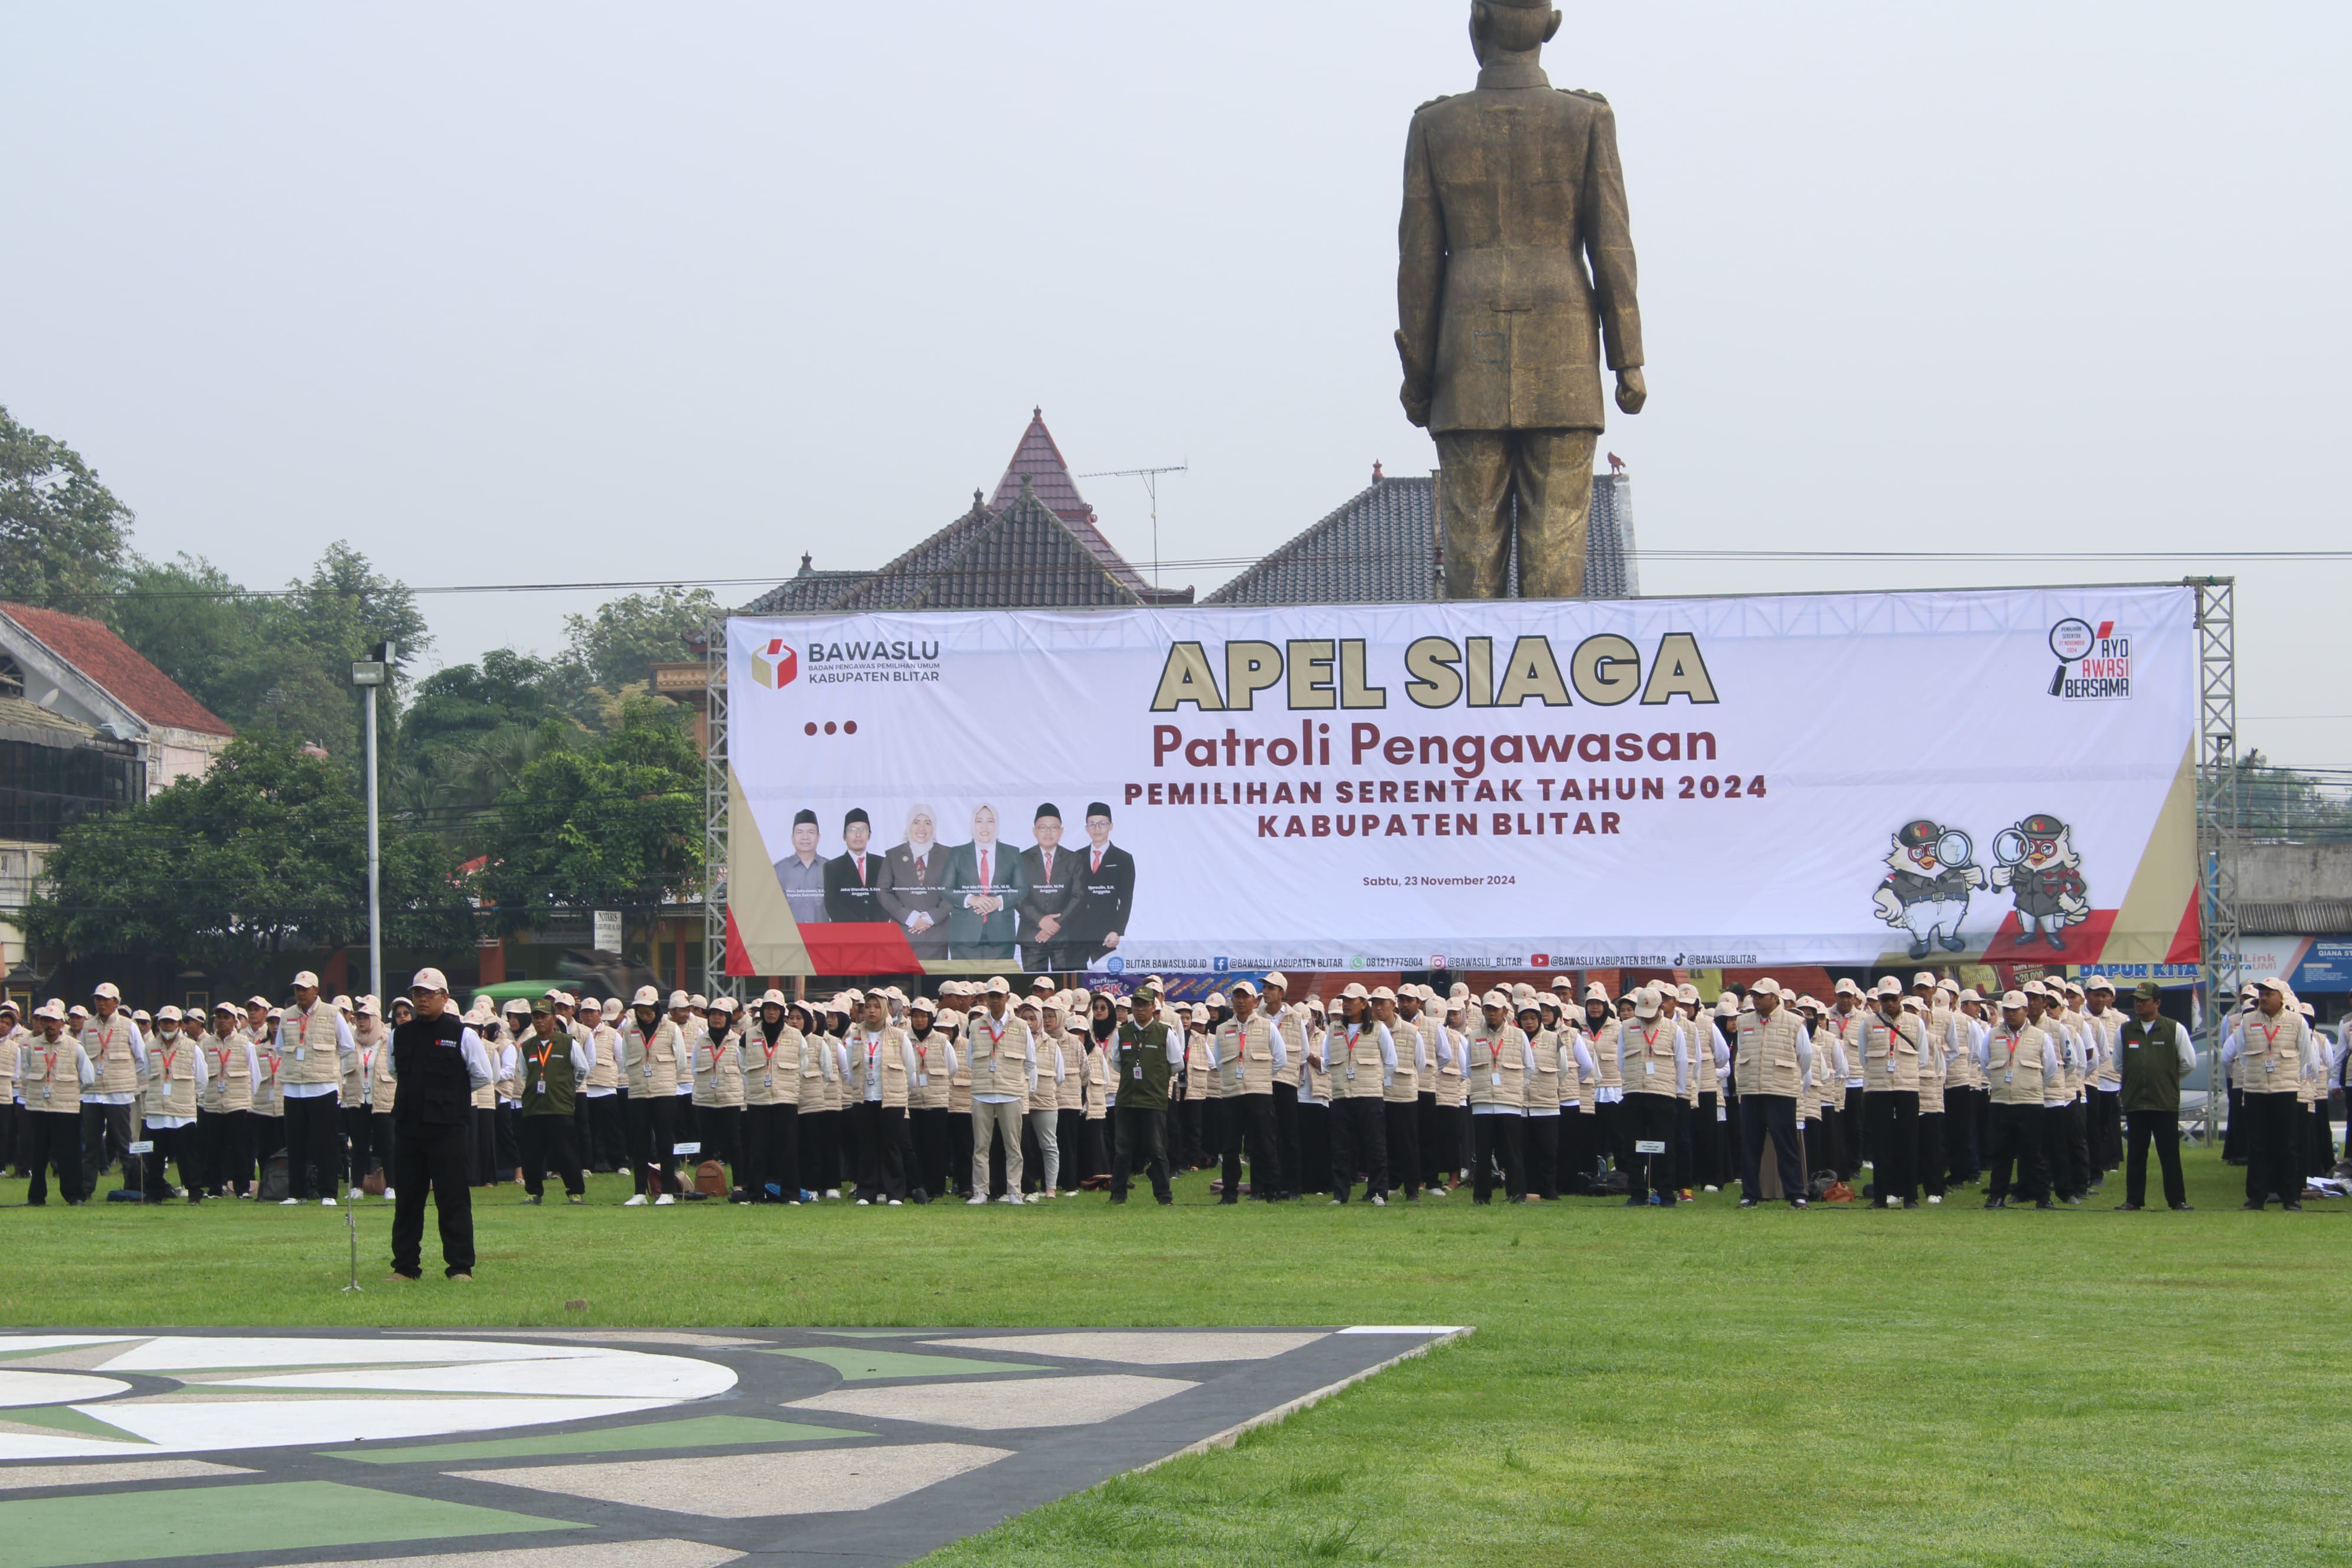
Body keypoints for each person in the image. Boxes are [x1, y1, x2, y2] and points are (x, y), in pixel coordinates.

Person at [387, 968, 493, 1281]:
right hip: (409, 1128)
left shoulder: (463, 1034)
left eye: (429, 994)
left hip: (448, 1129)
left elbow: (482, 1075)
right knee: (408, 1200)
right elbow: (395, 1072)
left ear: (445, 998)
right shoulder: (400, 1034)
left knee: (453, 1198)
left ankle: (460, 1267)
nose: (422, 999)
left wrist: (451, 1096)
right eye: (418, 993)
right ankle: (405, 1268)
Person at [2220, 976, 2321, 1211]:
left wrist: (2287, 1076)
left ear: (2281, 998)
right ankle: (2256, 1197)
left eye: (2268, 994)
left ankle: (2291, 1197)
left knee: (2288, 1145)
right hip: (2256, 1090)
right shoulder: (2247, 1021)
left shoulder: (2297, 1022)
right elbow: (2243, 1055)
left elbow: (2305, 1057)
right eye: (2261, 994)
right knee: (2257, 1146)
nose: (2263, 998)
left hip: (2285, 1090)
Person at [2111, 981, 2197, 1211]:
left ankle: (2177, 1200)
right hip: (2136, 1101)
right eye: (2136, 1000)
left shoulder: (2174, 1028)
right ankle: (2133, 1200)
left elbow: (2189, 1063)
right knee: (2136, 1154)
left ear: (2157, 1003)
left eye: (2144, 1000)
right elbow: (2119, 1064)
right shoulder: (2126, 1030)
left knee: (2169, 1154)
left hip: (2164, 1102)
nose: (2138, 1004)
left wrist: (2166, 1079)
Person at [273, 971, 355, 1206]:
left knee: (325, 1143)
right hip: (294, 1088)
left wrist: (326, 1065)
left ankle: (328, 1193)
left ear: (316, 991)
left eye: (305, 989)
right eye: (297, 988)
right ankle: (296, 1193)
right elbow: (280, 1047)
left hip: (323, 1087)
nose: (300, 993)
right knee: (295, 1143)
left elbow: (347, 1046)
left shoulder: (332, 1013)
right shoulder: (287, 1015)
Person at [1732, 978, 1809, 1208]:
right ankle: (1749, 1194)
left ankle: (1796, 1193)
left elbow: (1804, 1058)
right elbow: (1739, 1052)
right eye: (1754, 995)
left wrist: (1790, 1080)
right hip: (1751, 1091)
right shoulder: (1743, 1020)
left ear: (1775, 998)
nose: (1756, 999)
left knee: (1786, 1146)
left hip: (1781, 1091)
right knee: (1750, 1146)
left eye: (1761, 995)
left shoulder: (1795, 1022)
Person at [1980, 990, 2059, 1210]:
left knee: (2034, 1154)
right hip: (2001, 1102)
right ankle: (1997, 1196)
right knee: (2001, 1153)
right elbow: (1986, 1064)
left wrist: (2031, 1087)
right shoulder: (1992, 1035)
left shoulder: (2041, 1037)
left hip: (2030, 1103)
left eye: (2015, 1010)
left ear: (2026, 1010)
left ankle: (2044, 1197)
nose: (2010, 1014)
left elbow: (2050, 1070)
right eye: (2007, 1010)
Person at [963, 977, 1035, 1203]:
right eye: (991, 996)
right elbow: (970, 1061)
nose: (995, 1001)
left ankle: (1015, 1191)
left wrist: (1019, 1083)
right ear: (986, 998)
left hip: (1011, 1092)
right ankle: (980, 1192)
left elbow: (1031, 1062)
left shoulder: (1021, 1026)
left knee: (1013, 1146)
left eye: (999, 996)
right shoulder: (976, 1025)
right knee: (980, 1146)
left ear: (1007, 997)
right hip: (983, 1091)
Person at [1323, 983, 1394, 1206]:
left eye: (1352, 1000)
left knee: (1375, 1147)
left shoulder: (1379, 1029)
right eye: (1344, 1000)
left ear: (1364, 1004)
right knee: (1341, 1148)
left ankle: (1378, 1192)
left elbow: (1391, 1062)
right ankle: (1340, 1195)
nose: (1346, 1004)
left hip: (1370, 1095)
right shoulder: (1334, 1029)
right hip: (1342, 1095)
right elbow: (1326, 1061)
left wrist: (1372, 1081)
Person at [517, 998, 593, 1205]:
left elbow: (582, 1069)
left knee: (566, 1152)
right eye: (536, 1017)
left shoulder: (568, 1042)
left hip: (560, 1107)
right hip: (534, 1107)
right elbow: (525, 1074)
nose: (540, 1020)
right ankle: (533, 1192)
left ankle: (575, 1191)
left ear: (553, 1019)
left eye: (544, 1016)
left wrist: (568, 1088)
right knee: (532, 1154)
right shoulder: (527, 1046)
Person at [1109, 985, 1178, 1204]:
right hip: (1127, 1099)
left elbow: (1177, 1064)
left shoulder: (1165, 1032)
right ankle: (1118, 1195)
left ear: (1153, 1007)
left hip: (1153, 1100)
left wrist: (1155, 1078)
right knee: (1122, 1151)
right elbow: (1117, 1063)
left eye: (1145, 1005)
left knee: (1157, 1150)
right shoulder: (1123, 1033)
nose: (1140, 1010)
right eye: (1136, 1005)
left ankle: (1164, 1196)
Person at [21, 1000, 93, 1204]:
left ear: (63, 1024)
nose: (49, 1025)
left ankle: (74, 1195)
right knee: (38, 1155)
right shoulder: (33, 1046)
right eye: (46, 1021)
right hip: (38, 1107)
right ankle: (36, 1197)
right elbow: (27, 1072)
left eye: (53, 1021)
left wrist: (69, 1093)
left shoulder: (74, 1047)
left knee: (69, 1155)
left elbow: (87, 1078)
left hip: (66, 1109)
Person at [1859, 978, 1923, 1208]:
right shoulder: (1867, 1023)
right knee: (1880, 1144)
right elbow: (1862, 1055)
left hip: (1907, 1088)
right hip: (1878, 1088)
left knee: (1909, 1143)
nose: (1888, 1004)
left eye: (1892, 999)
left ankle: (1910, 1197)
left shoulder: (1916, 1022)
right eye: (1883, 999)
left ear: (1902, 997)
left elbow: (1923, 1057)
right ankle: (1880, 1198)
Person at [621, 985, 687, 1206]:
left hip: (665, 1092)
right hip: (638, 1092)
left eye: (648, 1012)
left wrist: (663, 1079)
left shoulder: (671, 1029)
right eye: (640, 1012)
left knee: (665, 1142)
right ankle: (640, 1192)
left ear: (657, 1009)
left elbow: (681, 1062)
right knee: (639, 1144)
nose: (645, 1016)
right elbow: (624, 1060)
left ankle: (667, 1191)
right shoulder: (629, 1031)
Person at [79, 982, 143, 1195]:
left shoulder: (129, 1026)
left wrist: (126, 1082)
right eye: (98, 999)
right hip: (93, 1094)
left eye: (106, 999)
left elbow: (141, 1060)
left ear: (116, 1002)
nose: (101, 1003)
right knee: (90, 1145)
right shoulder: (88, 1027)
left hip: (119, 1094)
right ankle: (86, 1190)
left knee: (125, 1144)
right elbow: (82, 1060)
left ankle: (133, 1187)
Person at [1466, 990, 1530, 1204]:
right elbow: (1468, 1068)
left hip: (1509, 1102)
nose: (1491, 1013)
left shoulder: (1519, 1036)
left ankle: (1516, 1194)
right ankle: (1482, 1196)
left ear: (1505, 1011)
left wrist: (1515, 1088)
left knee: (1513, 1152)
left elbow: (1529, 1067)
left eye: (1495, 1009)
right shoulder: (1474, 1037)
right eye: (1487, 1009)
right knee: (1483, 1154)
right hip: (1482, 1102)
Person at [140, 1006, 207, 1203]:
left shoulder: (192, 1047)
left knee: (188, 1157)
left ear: (180, 1024)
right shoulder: (150, 1046)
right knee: (156, 1158)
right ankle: (154, 1193)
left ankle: (194, 1192)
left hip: (182, 1112)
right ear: (158, 1023)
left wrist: (188, 1099)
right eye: (164, 1022)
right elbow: (146, 1073)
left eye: (172, 1022)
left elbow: (202, 1079)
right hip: (156, 1110)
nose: (168, 1025)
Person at [1061, 803, 1136, 967]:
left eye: (1102, 823)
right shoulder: (1075, 857)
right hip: (1076, 932)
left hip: (1106, 933)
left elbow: (1126, 899)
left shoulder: (1123, 859)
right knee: (1072, 981)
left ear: (1111, 826)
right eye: (1092, 824)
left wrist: (1117, 931)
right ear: (1087, 828)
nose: (1097, 828)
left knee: (1105, 982)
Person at [946, 805, 1025, 959]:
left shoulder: (1012, 853)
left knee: (1000, 982)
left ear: (996, 825)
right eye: (979, 821)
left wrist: (999, 901)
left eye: (990, 821)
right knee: (964, 982)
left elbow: (1022, 889)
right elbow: (946, 889)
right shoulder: (957, 853)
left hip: (1001, 934)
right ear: (972, 824)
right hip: (964, 935)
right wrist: (971, 899)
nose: (984, 826)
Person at [876, 804, 952, 962]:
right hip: (903, 934)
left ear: (934, 826)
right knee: (903, 985)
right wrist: (910, 917)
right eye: (916, 822)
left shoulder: (948, 855)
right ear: (909, 824)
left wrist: (931, 917)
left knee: (935, 985)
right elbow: (883, 892)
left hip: (936, 937)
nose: (922, 828)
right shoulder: (893, 855)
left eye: (928, 822)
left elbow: (955, 891)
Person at [690, 997, 746, 1195]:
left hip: (730, 1099)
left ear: (728, 1018)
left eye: (721, 1015)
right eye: (713, 1014)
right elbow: (694, 1069)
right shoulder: (700, 1041)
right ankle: (705, 1185)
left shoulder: (738, 1041)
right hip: (704, 1099)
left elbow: (744, 1069)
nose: (716, 1018)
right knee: (706, 1144)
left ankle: (740, 1184)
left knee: (734, 1143)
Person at [903, 995, 956, 1201]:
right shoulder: (904, 1039)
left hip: (937, 1101)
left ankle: (936, 1188)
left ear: (930, 1018)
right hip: (913, 1101)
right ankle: (916, 1187)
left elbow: (952, 1068)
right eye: (916, 1016)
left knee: (936, 1147)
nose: (919, 1020)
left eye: (924, 1016)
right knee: (914, 1147)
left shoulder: (942, 1040)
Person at [1017, 803, 1081, 970]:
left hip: (1064, 937)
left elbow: (1078, 897)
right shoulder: (1020, 860)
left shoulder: (1074, 859)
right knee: (1034, 988)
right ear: (1034, 831)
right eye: (1043, 827)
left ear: (1061, 831)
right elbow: (1018, 896)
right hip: (1032, 936)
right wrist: (1041, 920)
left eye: (1054, 828)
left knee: (1067, 990)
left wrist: (1054, 925)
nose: (1048, 832)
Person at [344, 995, 387, 1198]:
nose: (360, 1021)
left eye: (366, 1017)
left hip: (382, 1098)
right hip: (358, 1099)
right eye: (358, 1017)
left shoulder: (387, 1041)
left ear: (376, 1019)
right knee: (359, 1144)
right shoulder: (352, 1042)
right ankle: (357, 1186)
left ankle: (391, 1186)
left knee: (387, 1144)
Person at [824, 808, 887, 923]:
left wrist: (876, 926)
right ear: (844, 836)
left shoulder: (883, 864)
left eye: (863, 829)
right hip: (847, 934)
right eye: (852, 830)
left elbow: (889, 898)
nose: (858, 834)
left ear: (870, 835)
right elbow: (832, 905)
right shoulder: (832, 867)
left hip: (879, 932)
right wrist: (860, 929)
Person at [775, 809, 831, 925]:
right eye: (800, 832)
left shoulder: (832, 869)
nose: (805, 837)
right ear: (792, 838)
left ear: (818, 837)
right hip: (789, 940)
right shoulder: (779, 871)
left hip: (822, 939)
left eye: (810, 832)